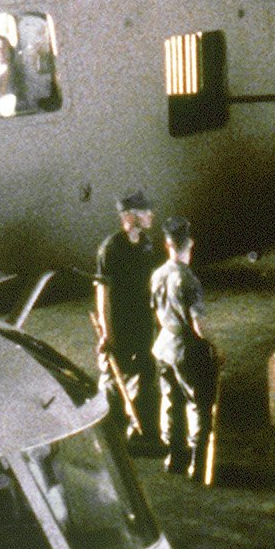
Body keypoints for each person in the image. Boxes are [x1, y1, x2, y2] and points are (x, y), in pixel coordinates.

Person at [151, 217, 218, 480]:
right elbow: (198, 326)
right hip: (186, 349)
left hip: (164, 346)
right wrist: (213, 346)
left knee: (171, 403)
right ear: (189, 243)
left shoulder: (157, 275)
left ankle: (174, 458)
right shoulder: (188, 279)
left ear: (167, 244)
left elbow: (158, 313)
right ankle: (198, 466)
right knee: (199, 404)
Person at [92, 190, 159, 444]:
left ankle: (143, 434)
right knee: (113, 378)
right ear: (129, 216)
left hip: (142, 321)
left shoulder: (146, 244)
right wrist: (107, 333)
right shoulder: (111, 248)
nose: (150, 215)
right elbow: (103, 291)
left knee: (145, 372)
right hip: (120, 324)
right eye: (145, 211)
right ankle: (110, 435)